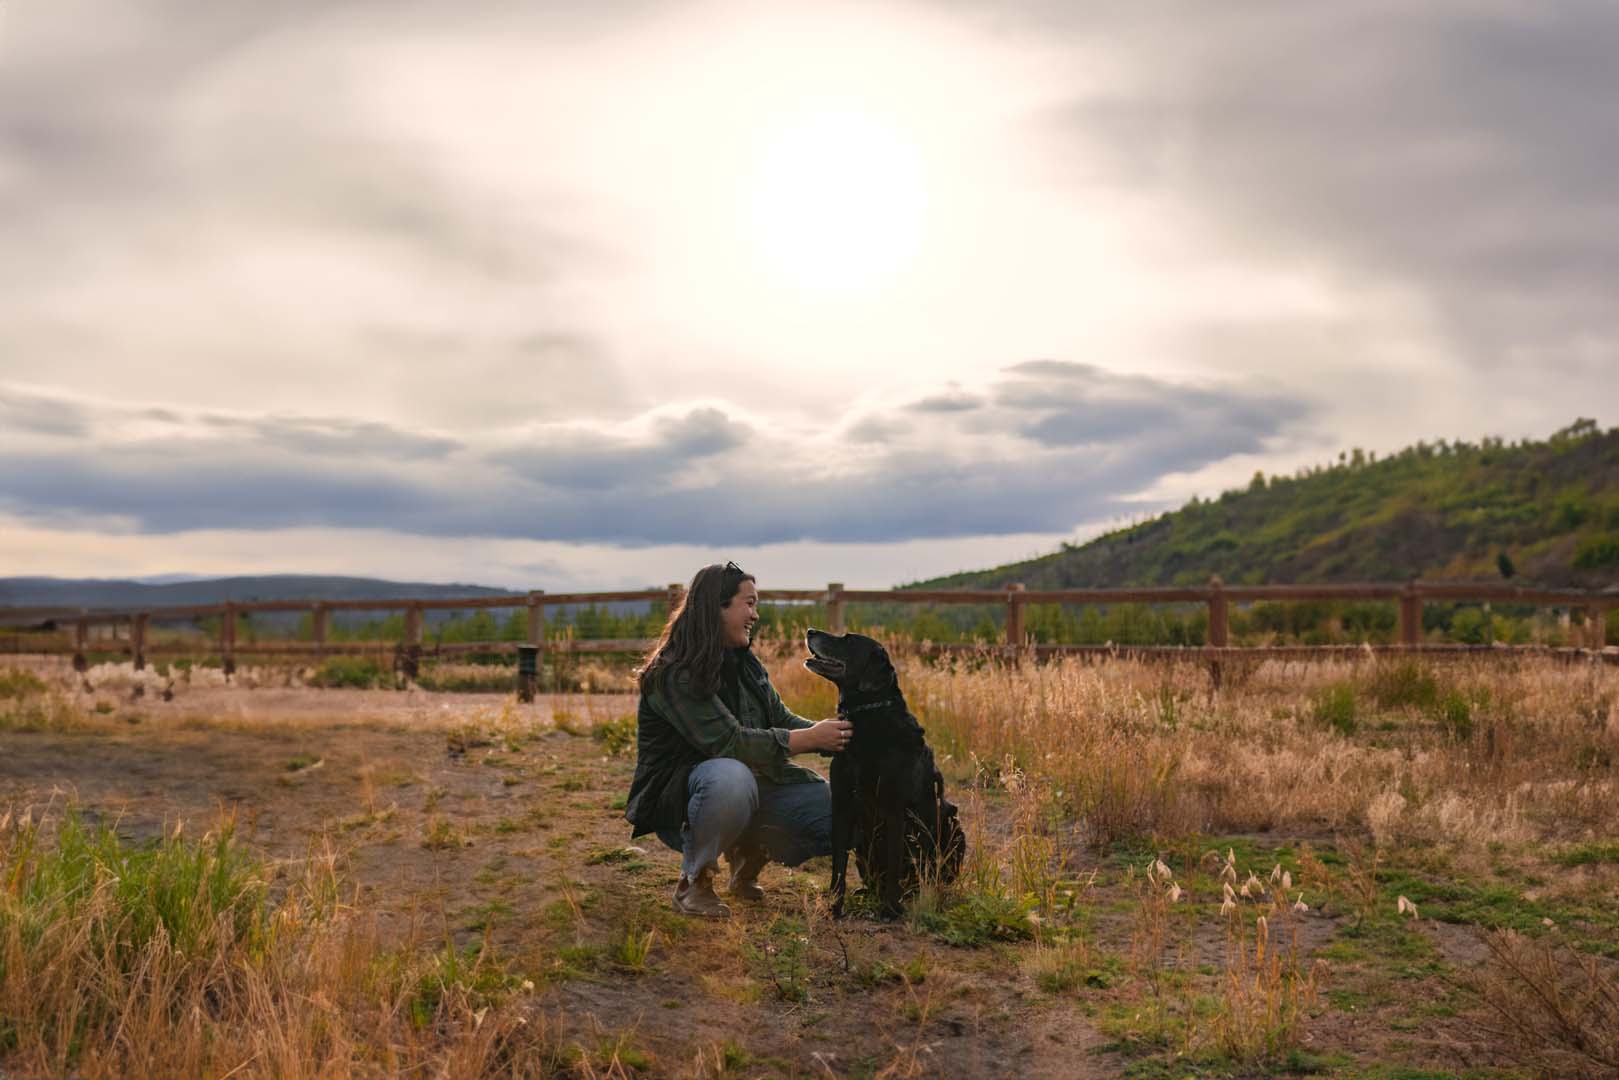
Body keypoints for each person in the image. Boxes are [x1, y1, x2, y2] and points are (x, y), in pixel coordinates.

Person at [623, 561, 852, 917]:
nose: (755, 615)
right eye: (749, 603)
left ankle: (747, 855)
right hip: (685, 801)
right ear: (716, 606)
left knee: (833, 813)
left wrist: (835, 736)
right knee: (730, 775)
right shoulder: (673, 673)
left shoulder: (745, 662)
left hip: (752, 789)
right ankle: (693, 883)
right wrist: (809, 739)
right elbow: (729, 743)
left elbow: (782, 719)